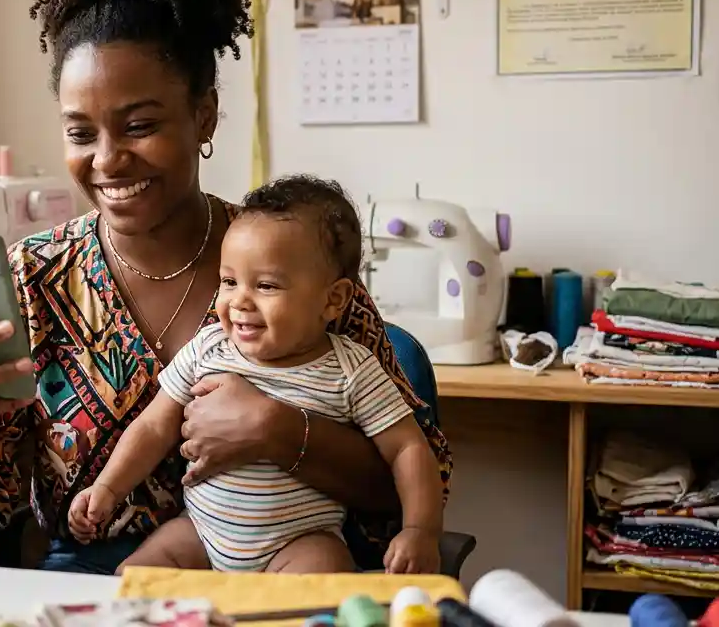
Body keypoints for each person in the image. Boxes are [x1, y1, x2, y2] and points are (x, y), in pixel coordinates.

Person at [0, 0, 452, 575]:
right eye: (81, 133)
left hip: (280, 578)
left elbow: (411, 489)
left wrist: (284, 433)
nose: (106, 159)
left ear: (205, 113)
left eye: (138, 126)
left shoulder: (286, 256)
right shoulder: (33, 281)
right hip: (104, 593)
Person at [68, 176, 443, 574]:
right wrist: (108, 489)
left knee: (325, 576)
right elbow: (153, 427)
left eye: (265, 285)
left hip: (298, 543)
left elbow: (408, 449)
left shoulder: (351, 369)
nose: (238, 301)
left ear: (333, 299)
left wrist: (420, 530)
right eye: (229, 282)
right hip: (200, 534)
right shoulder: (208, 348)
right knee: (136, 578)